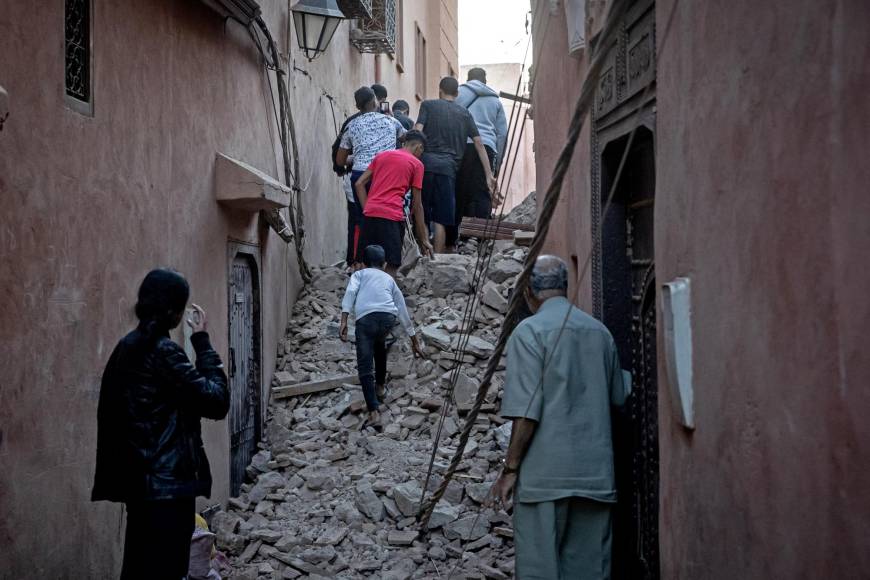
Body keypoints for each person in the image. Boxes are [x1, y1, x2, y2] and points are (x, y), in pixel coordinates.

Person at [491, 256, 630, 580]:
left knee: (541, 570)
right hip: (596, 476)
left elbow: (527, 412)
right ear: (565, 288)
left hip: (545, 479)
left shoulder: (529, 333)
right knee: (590, 570)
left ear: (529, 291)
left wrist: (510, 470)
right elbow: (618, 397)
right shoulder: (600, 333)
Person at [92, 269, 229, 580]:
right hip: (167, 490)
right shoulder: (163, 352)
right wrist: (203, 342)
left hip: (139, 487)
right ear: (175, 311)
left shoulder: (126, 347)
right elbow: (216, 401)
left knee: (140, 567)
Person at [340, 245, 423, 426]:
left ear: (363, 264)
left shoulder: (358, 275)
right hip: (387, 317)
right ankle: (380, 386)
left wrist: (344, 320)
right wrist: (414, 339)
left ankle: (374, 411)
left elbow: (350, 293)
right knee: (380, 345)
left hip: (366, 319)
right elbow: (402, 308)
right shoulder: (389, 279)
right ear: (384, 264)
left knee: (364, 364)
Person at [415, 76, 498, 254]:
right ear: (457, 93)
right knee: (441, 217)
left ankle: (421, 255)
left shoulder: (428, 105)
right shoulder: (464, 113)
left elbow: (417, 132)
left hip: (426, 166)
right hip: (448, 169)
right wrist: (488, 174)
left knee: (420, 210)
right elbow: (479, 144)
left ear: (440, 91)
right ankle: (436, 258)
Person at [336, 86, 406, 267]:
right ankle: (389, 262)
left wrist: (356, 157)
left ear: (358, 107)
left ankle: (360, 263)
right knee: (389, 216)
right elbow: (407, 139)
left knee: (362, 220)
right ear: (375, 101)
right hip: (387, 175)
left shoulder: (352, 125)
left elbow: (340, 160)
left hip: (360, 175)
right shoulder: (391, 122)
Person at [353, 130, 433, 276]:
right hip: (392, 216)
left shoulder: (382, 156)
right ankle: (384, 294)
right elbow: (417, 204)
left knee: (365, 261)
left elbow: (359, 183)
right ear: (418, 147)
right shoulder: (417, 164)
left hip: (370, 214)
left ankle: (363, 293)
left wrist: (368, 208)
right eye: (422, 152)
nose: (421, 155)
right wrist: (424, 239)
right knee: (392, 263)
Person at [448, 67, 509, 247]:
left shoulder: (458, 94)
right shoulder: (495, 101)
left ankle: (459, 236)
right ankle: (481, 238)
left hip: (461, 147)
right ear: (485, 80)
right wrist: (498, 160)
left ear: (468, 79)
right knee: (482, 191)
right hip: (487, 148)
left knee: (460, 189)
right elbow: (502, 134)